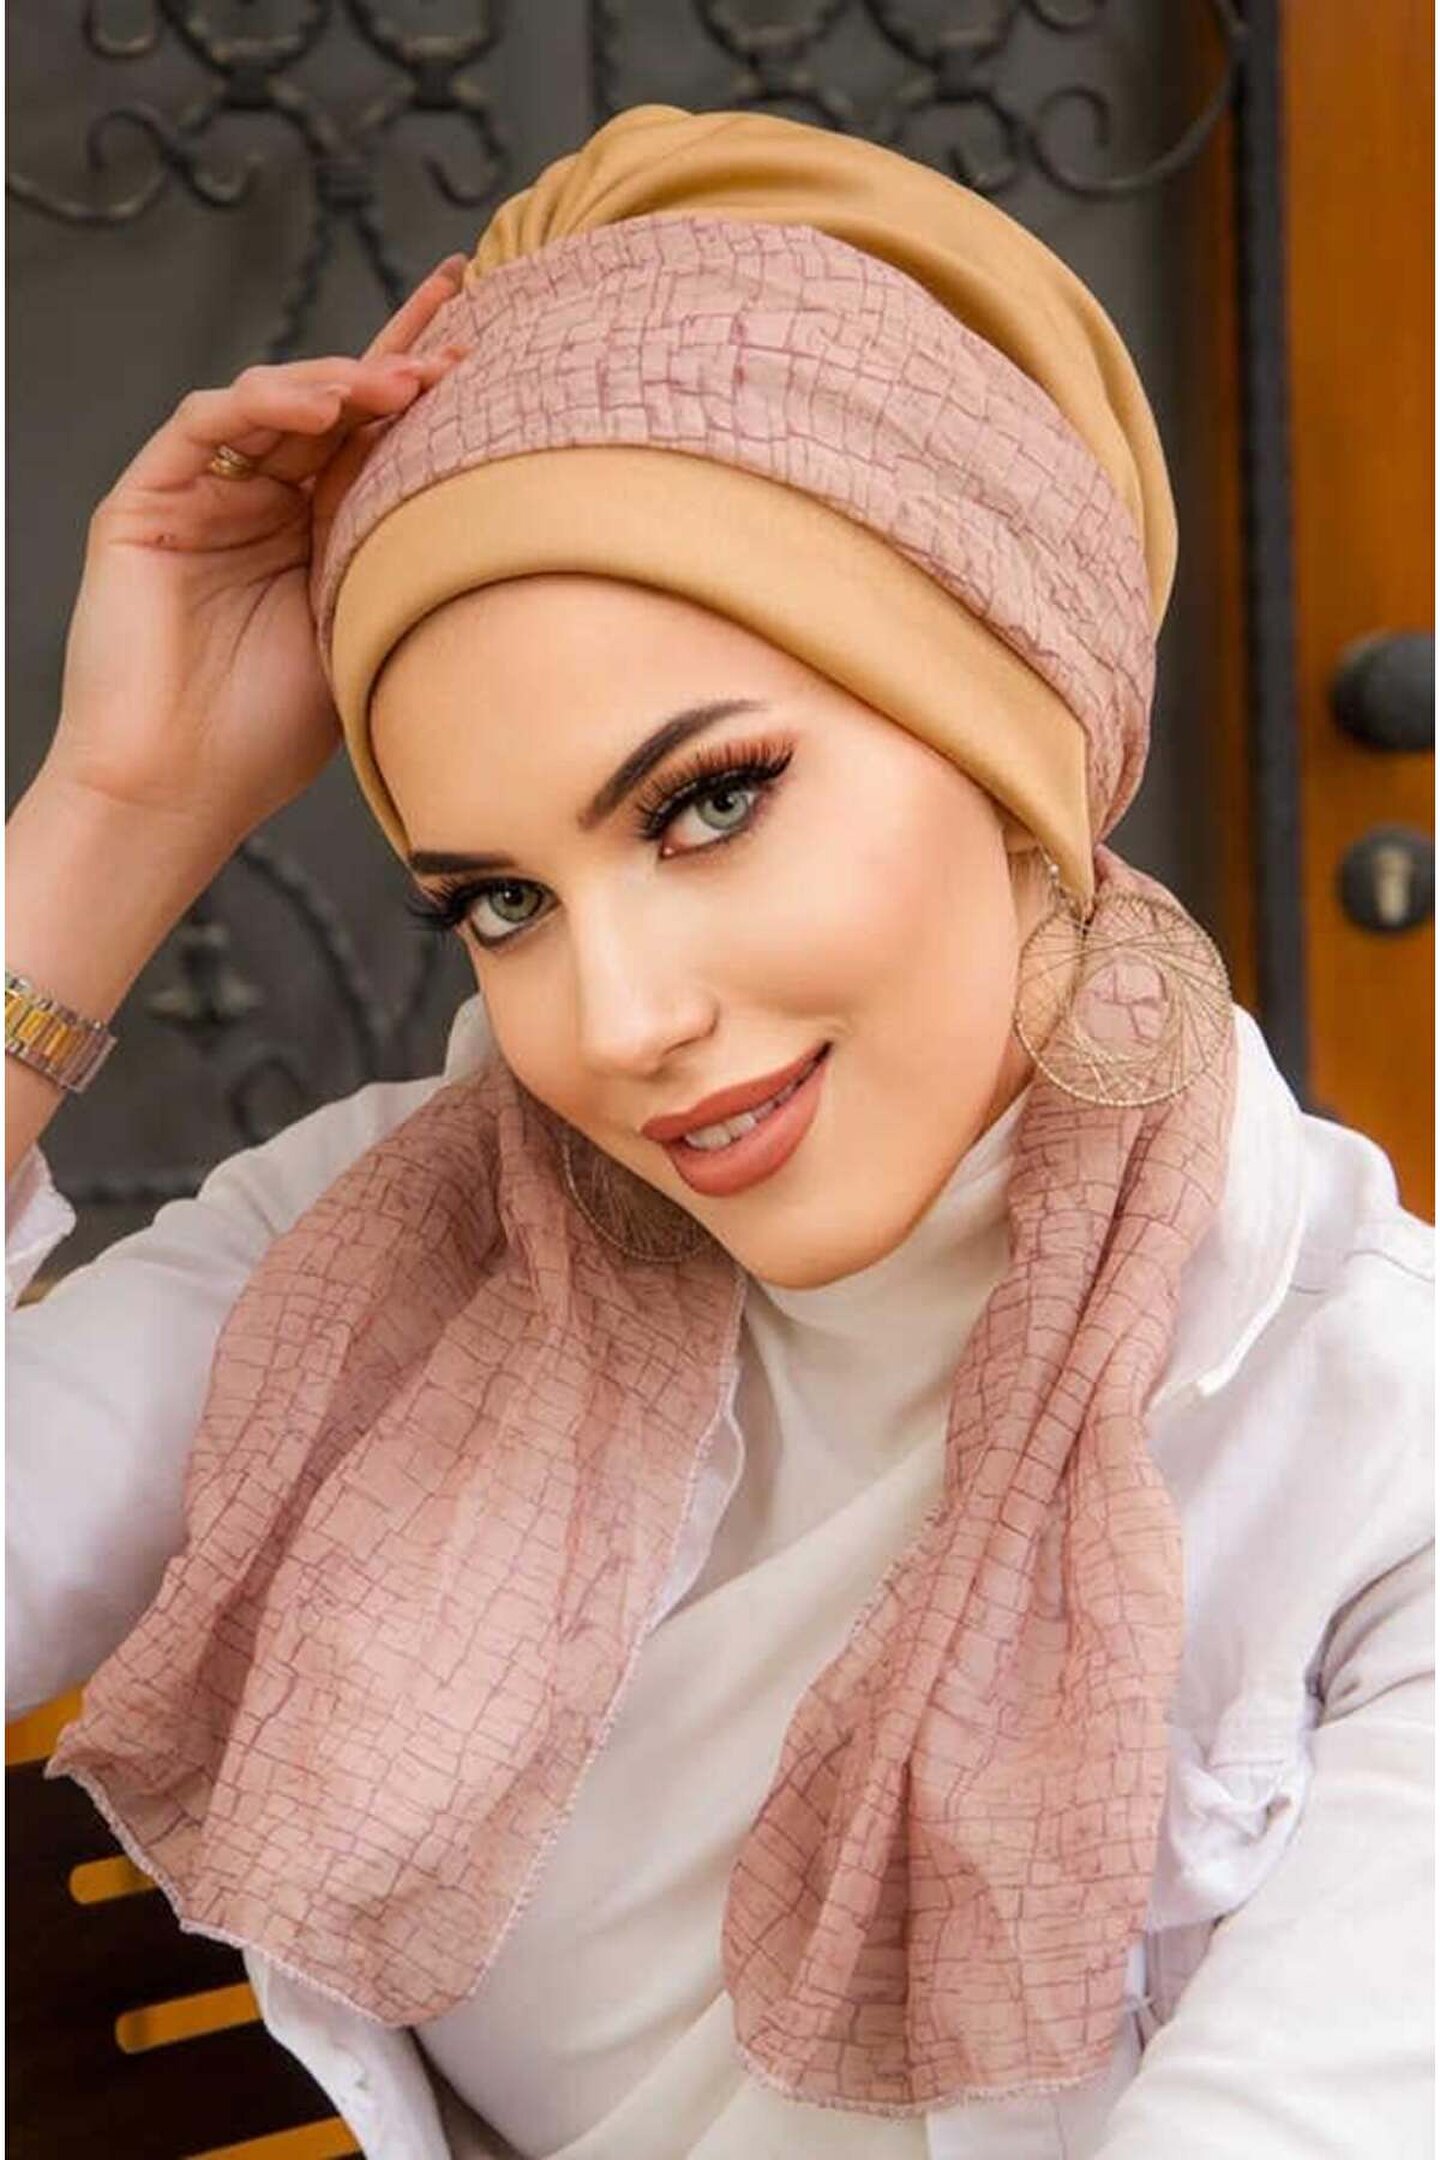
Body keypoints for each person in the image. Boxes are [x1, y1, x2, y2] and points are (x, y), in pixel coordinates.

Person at [6, 105, 1432, 2160]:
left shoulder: (1374, 1460)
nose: (619, 1025)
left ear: (1014, 721)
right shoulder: (384, 1253)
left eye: (710, 804)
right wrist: (116, 817)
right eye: (501, 901)